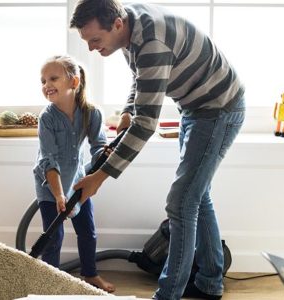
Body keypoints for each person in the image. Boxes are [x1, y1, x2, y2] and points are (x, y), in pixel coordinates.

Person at [69, 1, 245, 299]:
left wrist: (99, 177)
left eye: (95, 40)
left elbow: (146, 125)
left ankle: (167, 295)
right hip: (194, 107)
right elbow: (144, 77)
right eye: (87, 42)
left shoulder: (152, 41)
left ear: (116, 25)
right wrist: (128, 109)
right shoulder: (128, 27)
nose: (91, 49)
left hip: (218, 109)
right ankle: (210, 282)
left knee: (181, 203)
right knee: (196, 196)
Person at [34, 55, 115, 293]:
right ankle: (51, 282)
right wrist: (59, 195)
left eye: (53, 78)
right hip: (50, 186)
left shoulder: (92, 113)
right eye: (42, 80)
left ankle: (90, 274)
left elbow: (98, 147)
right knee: (54, 237)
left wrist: (104, 154)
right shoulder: (47, 118)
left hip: (80, 182)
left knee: (87, 231)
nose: (46, 84)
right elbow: (47, 160)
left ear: (74, 82)